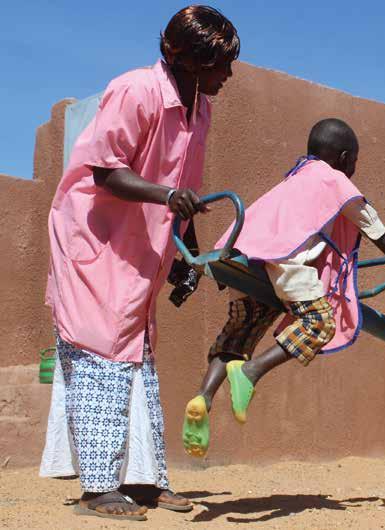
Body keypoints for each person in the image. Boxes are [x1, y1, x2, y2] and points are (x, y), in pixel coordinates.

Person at [44, 5, 239, 521]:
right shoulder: (136, 91)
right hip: (95, 240)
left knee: (138, 359)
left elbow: (186, 192)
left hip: (143, 248)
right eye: (220, 64)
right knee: (99, 356)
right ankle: (97, 489)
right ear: (190, 60)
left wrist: (186, 253)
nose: (228, 75)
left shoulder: (200, 110)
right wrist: (169, 196)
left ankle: (144, 481)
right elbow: (106, 174)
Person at [181, 118, 385, 457]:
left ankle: (203, 397)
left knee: (239, 333)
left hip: (242, 258)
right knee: (319, 324)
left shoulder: (295, 176)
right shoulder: (335, 180)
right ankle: (251, 372)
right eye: (355, 161)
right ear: (345, 158)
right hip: (283, 258)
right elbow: (367, 219)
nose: (354, 168)